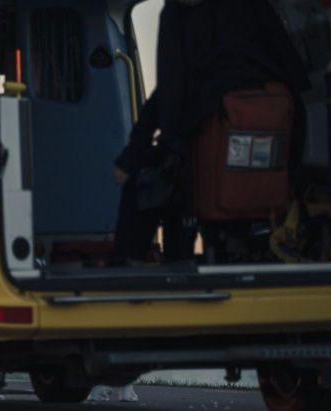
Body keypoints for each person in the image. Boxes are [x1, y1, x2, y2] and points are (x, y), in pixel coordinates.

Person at [109, 0, 311, 265]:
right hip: (271, 182)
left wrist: (133, 155)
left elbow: (171, 93)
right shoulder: (258, 19)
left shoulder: (186, 16)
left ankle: (132, 266)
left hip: (203, 174)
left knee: (151, 177)